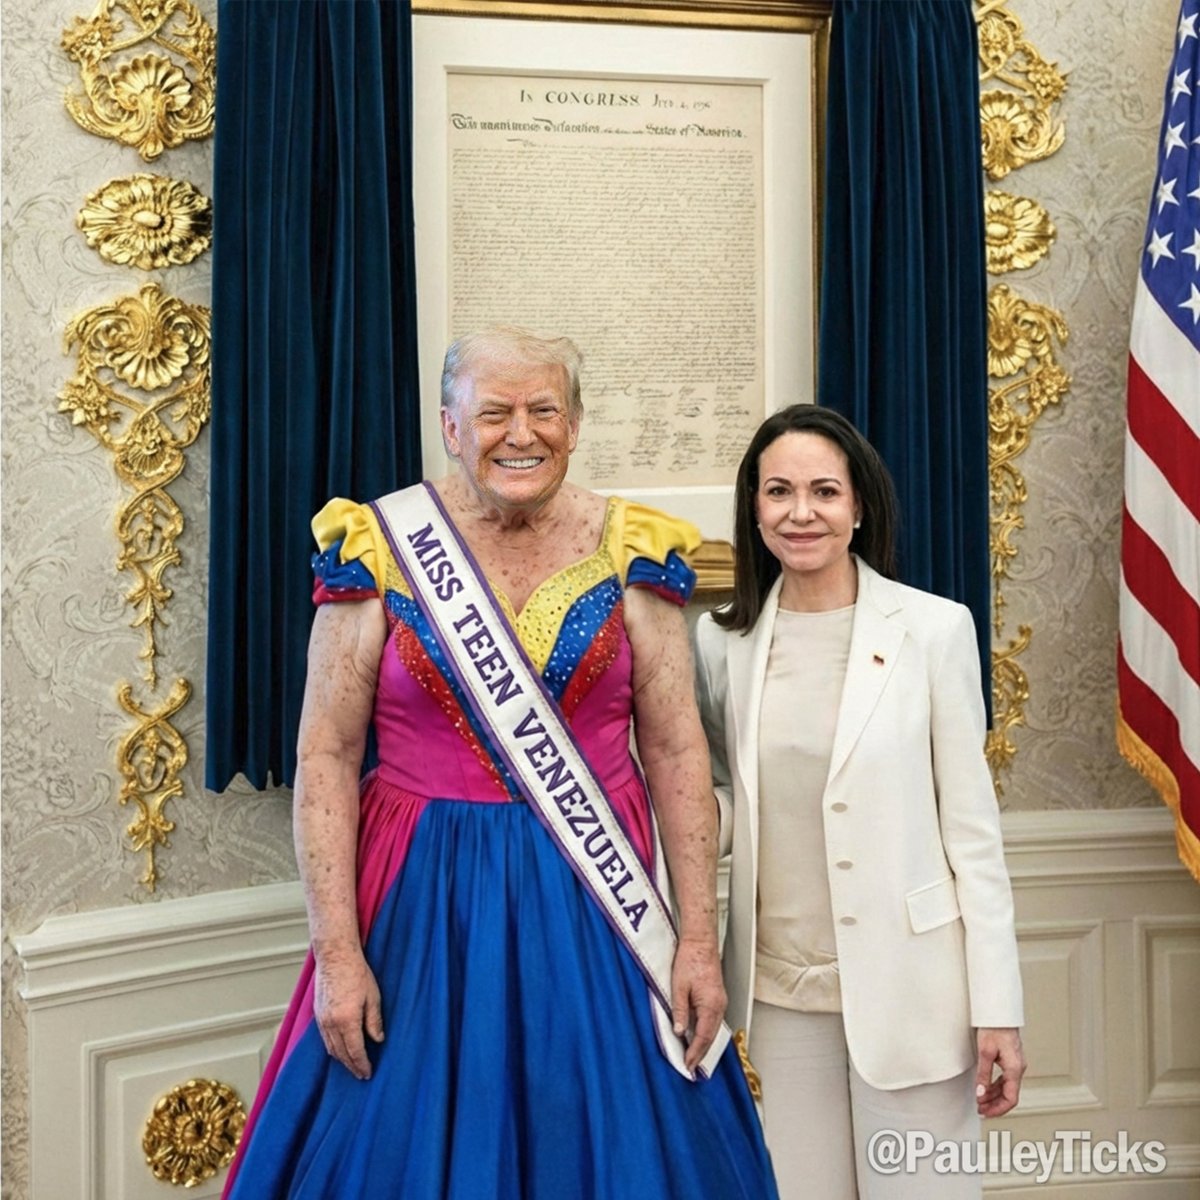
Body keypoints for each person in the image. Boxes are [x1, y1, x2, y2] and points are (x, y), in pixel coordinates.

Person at [222, 327, 778, 1199]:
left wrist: (699, 943)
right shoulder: (379, 547)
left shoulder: (632, 549)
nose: (521, 433)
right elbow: (325, 756)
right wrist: (336, 952)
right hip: (418, 905)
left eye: (543, 410)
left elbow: (675, 750)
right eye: (494, 413)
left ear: (576, 423)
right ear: (450, 426)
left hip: (599, 903)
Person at [693, 404, 1025, 1199]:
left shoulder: (935, 631)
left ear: (859, 506)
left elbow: (972, 836)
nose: (800, 513)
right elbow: (725, 800)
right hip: (777, 994)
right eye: (778, 492)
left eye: (823, 492)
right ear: (754, 509)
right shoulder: (718, 641)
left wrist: (999, 1009)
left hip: (915, 991)